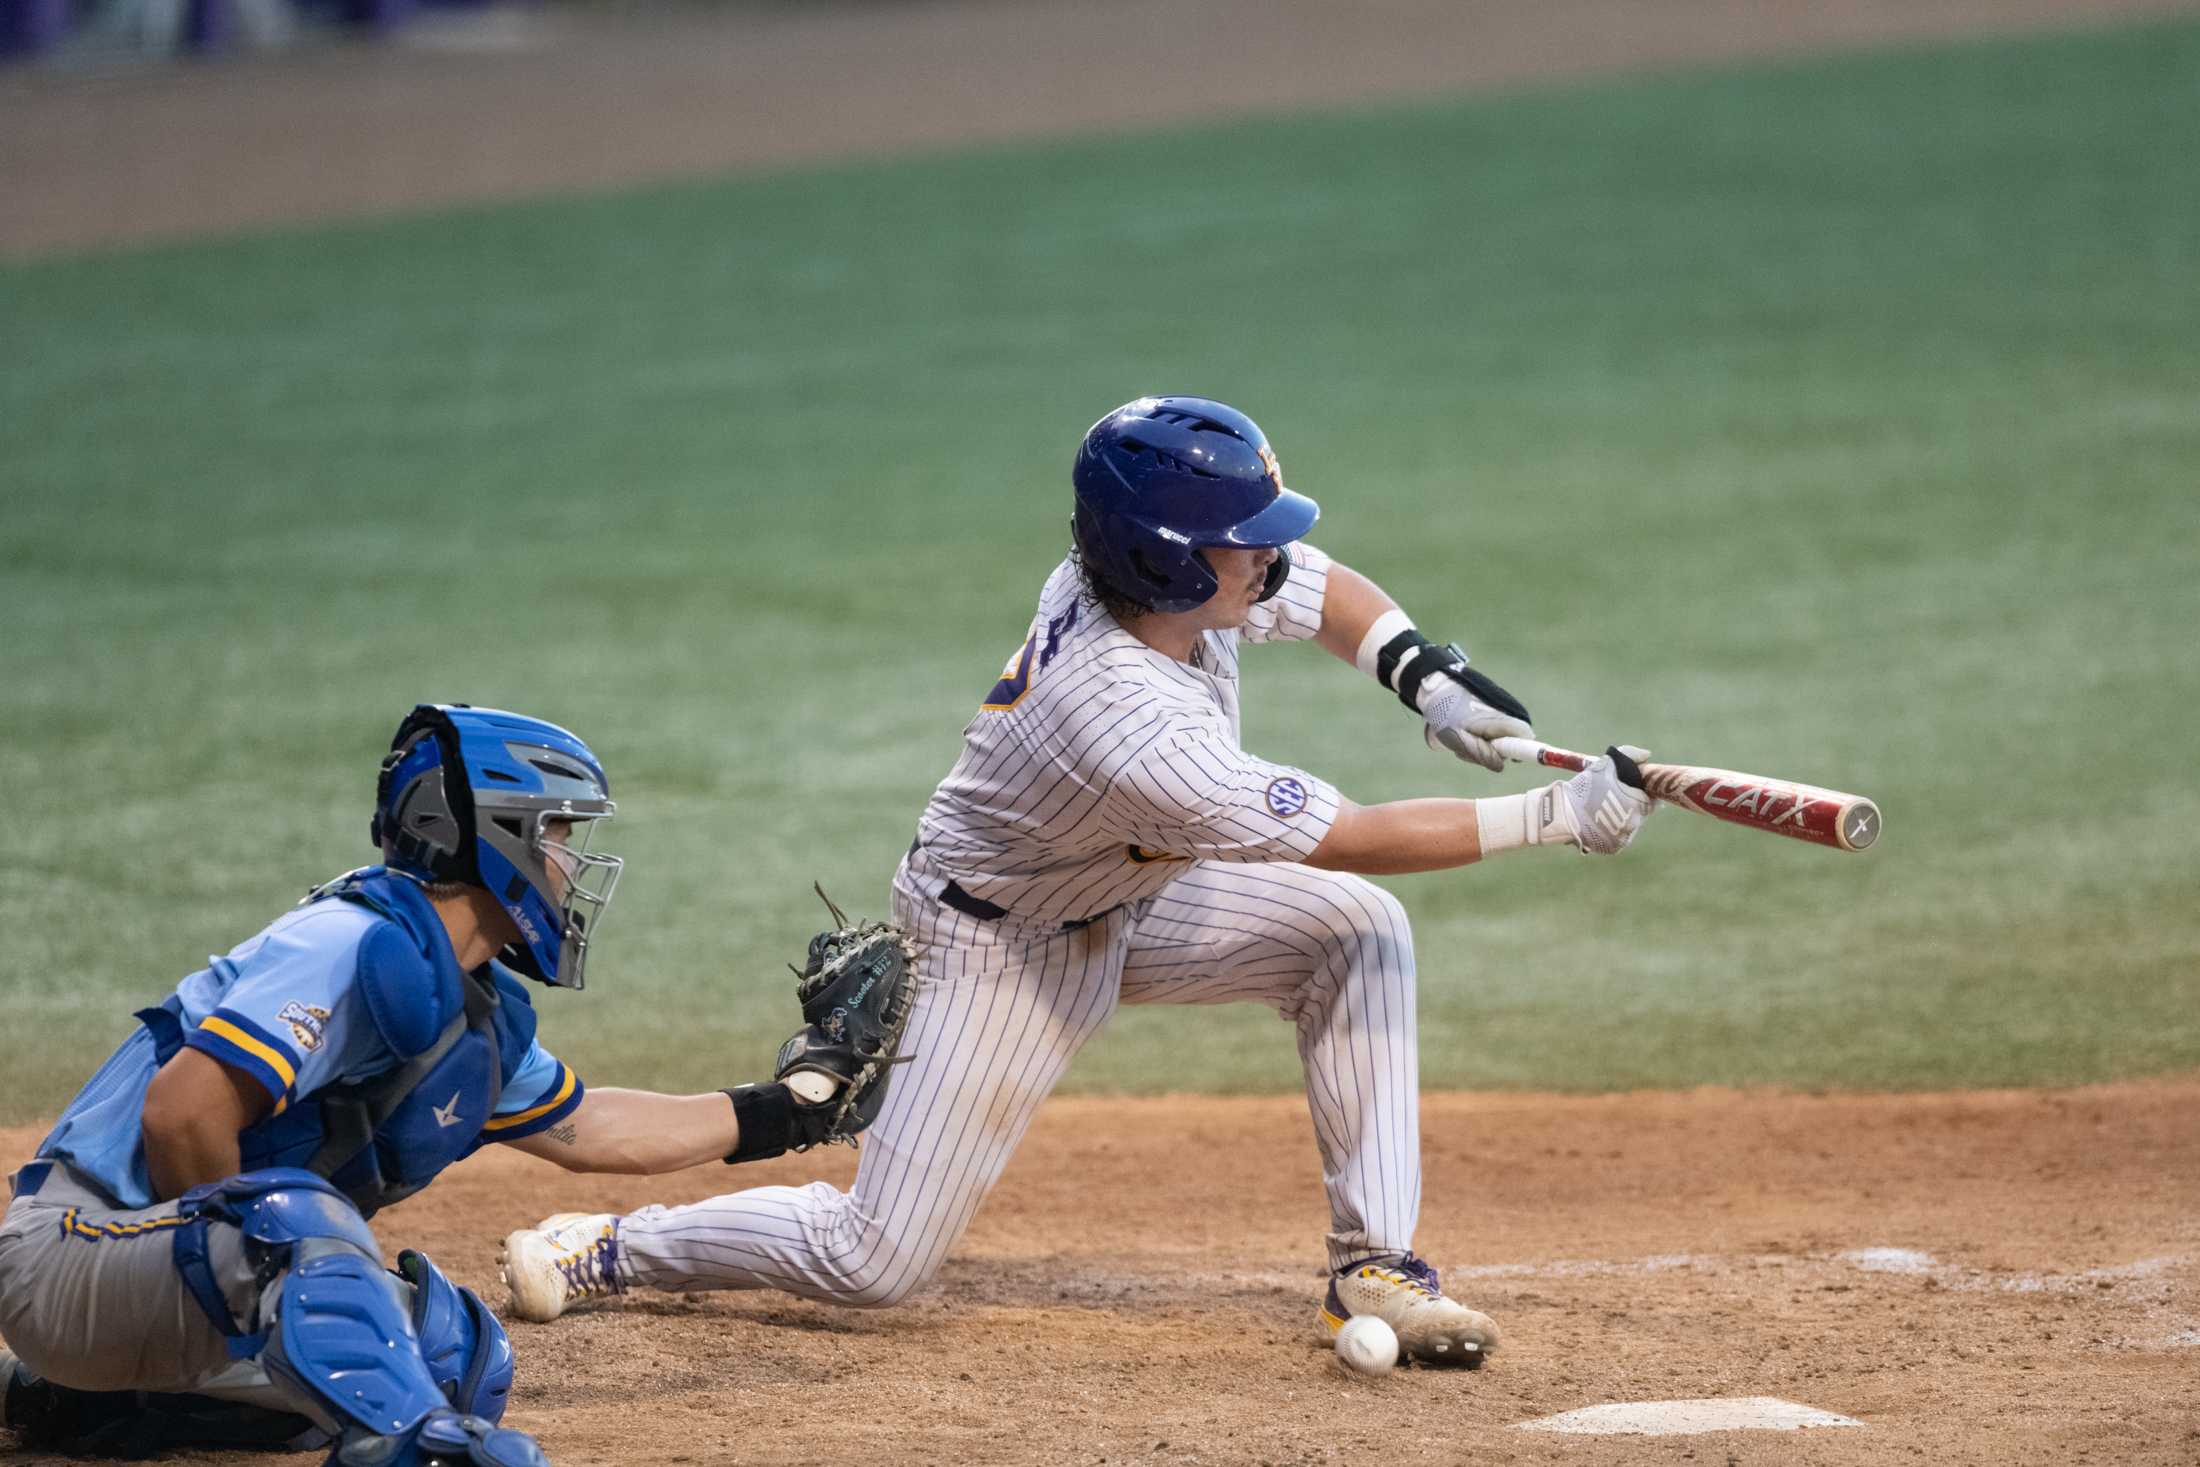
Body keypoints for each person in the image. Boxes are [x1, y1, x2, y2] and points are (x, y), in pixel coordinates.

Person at [499, 397, 1655, 1366]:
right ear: (1165, 554)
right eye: (1241, 536)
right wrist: (1550, 817)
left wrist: (1427, 676)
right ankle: (608, 1246)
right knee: (875, 1261)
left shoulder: (1173, 579)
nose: (1267, 552)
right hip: (997, 951)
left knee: (1353, 933)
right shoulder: (1124, 718)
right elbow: (1346, 831)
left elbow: (1325, 589)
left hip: (1131, 897)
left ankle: (1376, 1265)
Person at [0, 704, 863, 1465]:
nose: (571, 864)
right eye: (560, 834)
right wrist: (251, 1267)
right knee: (303, 1233)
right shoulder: (342, 943)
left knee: (456, 1359)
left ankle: (77, 1403)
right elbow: (181, 1111)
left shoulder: (462, 1010)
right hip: (76, 1246)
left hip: (163, 1282)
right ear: (500, 836)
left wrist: (787, 1107)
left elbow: (594, 1127)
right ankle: (409, 1452)